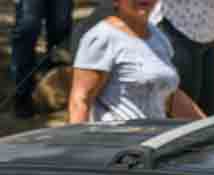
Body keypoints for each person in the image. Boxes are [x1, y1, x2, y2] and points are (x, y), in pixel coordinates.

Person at [67, 0, 200, 124]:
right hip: (116, 142)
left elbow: (169, 95)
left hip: (153, 141)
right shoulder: (102, 37)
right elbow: (81, 100)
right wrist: (78, 144)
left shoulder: (159, 37)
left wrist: (205, 127)